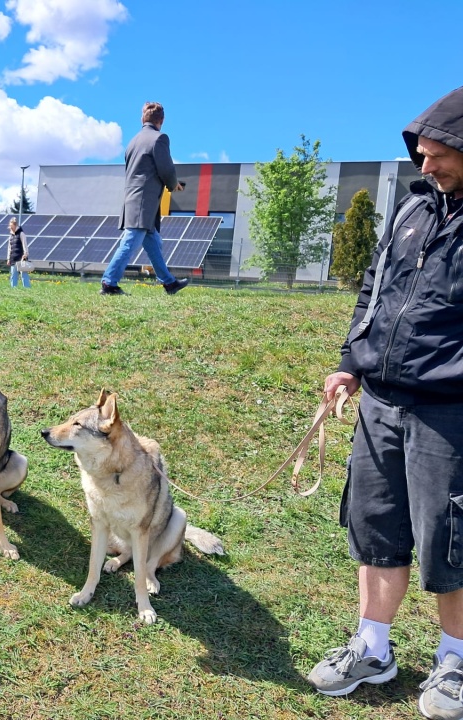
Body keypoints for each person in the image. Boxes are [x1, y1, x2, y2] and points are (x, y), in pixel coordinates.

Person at [307, 86, 463, 720]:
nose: (426, 165)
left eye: (439, 154)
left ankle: (455, 661)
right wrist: (351, 362)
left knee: (452, 538)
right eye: (421, 153)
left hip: (450, 410)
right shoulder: (412, 209)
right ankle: (373, 648)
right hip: (379, 400)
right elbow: (375, 289)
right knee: (374, 525)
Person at [101, 102, 188, 296]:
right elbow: (166, 169)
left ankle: (169, 283)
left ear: (142, 119)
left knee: (153, 242)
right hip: (144, 203)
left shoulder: (133, 141)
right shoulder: (160, 138)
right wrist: (173, 184)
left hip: (133, 199)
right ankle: (109, 283)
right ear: (161, 121)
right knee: (130, 242)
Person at [6, 217, 31, 288]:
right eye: (10, 226)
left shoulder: (21, 234)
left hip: (21, 258)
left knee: (24, 274)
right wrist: (8, 259)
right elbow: (9, 248)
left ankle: (27, 288)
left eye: (11, 226)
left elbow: (24, 244)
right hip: (13, 258)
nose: (10, 228)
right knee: (13, 275)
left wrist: (25, 254)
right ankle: (13, 288)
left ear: (15, 225)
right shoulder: (10, 236)